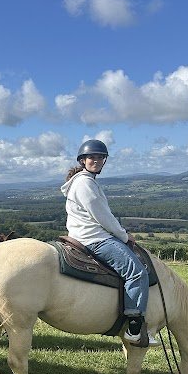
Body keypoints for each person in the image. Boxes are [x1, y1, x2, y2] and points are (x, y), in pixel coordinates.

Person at [60, 139, 158, 347]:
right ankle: (134, 328)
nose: (96, 160)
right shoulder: (85, 183)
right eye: (91, 157)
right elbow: (103, 217)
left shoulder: (84, 181)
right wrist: (124, 236)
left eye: (99, 157)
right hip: (94, 238)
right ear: (83, 160)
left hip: (84, 235)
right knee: (137, 272)